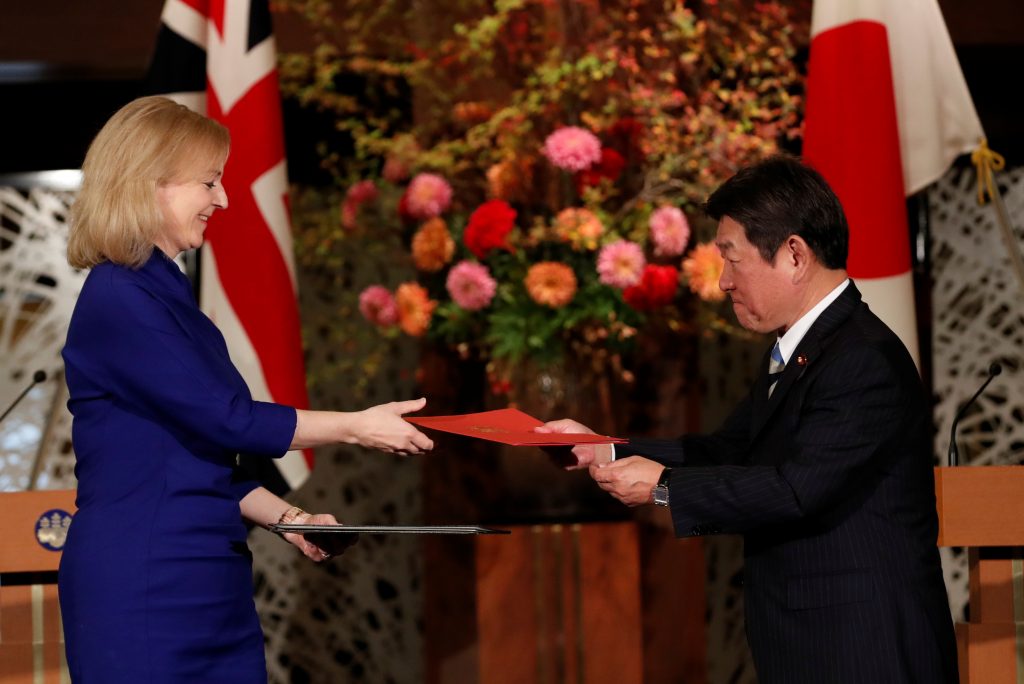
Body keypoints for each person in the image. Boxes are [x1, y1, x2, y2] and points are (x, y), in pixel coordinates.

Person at [58, 96, 434, 683]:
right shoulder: (118, 298)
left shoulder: (166, 296)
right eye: (209, 181)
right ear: (148, 184)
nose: (224, 198)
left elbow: (200, 459)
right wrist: (358, 425)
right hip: (146, 585)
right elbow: (229, 419)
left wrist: (292, 519)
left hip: (209, 579)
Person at [540, 156, 958, 683]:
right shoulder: (804, 347)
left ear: (795, 255)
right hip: (811, 644)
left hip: (863, 646)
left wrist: (665, 488)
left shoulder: (862, 358)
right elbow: (729, 451)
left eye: (732, 259)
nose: (722, 282)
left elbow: (796, 490)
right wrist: (606, 449)